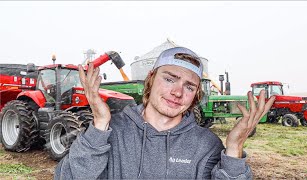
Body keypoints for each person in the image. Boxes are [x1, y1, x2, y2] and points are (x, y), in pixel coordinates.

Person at [54, 47, 275, 179]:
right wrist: (100, 124)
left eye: (189, 87)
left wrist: (234, 149)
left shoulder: (206, 145)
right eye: (169, 79)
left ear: (196, 94)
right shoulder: (112, 133)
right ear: (151, 78)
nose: (178, 92)